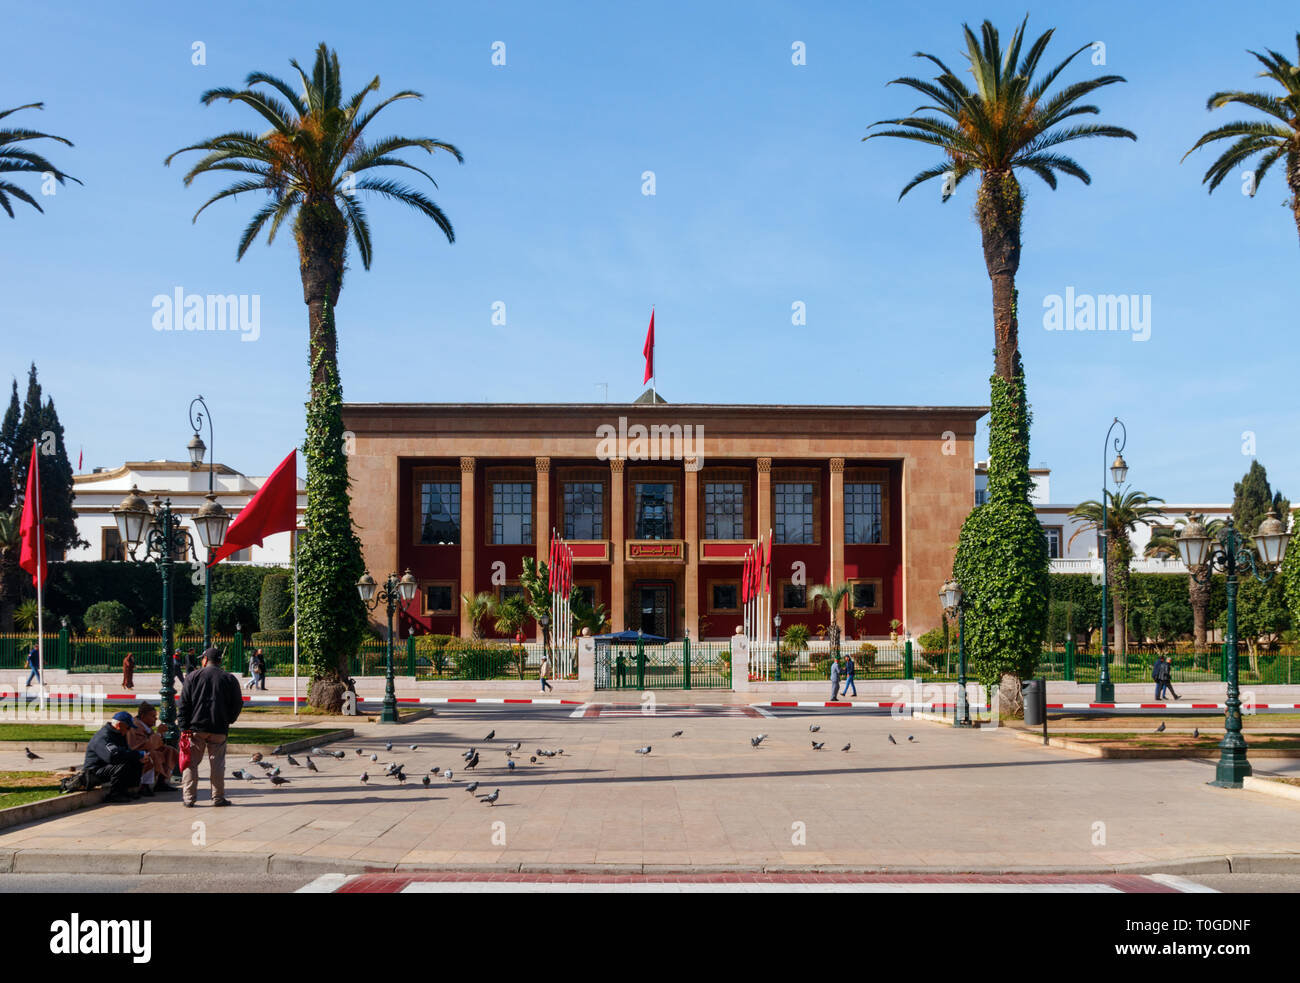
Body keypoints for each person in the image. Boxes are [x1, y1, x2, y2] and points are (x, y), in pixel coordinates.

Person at [177, 646, 243, 807]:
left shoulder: (193, 677)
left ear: (205, 660)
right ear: (220, 661)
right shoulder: (229, 678)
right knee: (217, 764)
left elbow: (183, 704)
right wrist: (229, 720)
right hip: (219, 727)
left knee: (191, 763)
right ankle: (218, 798)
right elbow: (237, 704)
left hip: (195, 728)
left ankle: (189, 798)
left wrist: (183, 726)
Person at [83, 711, 146, 803]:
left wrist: (139, 756)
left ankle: (129, 790)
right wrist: (136, 754)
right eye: (128, 728)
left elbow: (125, 752)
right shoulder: (103, 737)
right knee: (122, 764)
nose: (129, 730)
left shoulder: (119, 735)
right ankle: (115, 794)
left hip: (107, 767)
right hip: (94, 772)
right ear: (119, 725)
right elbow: (113, 757)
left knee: (136, 760)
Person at [128, 701, 178, 794]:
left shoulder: (146, 726)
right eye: (153, 716)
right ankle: (144, 786)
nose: (155, 719)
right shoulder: (136, 727)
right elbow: (144, 745)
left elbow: (156, 744)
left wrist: (160, 735)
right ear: (143, 716)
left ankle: (161, 782)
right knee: (153, 755)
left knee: (170, 751)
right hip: (137, 755)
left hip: (148, 751)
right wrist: (158, 733)